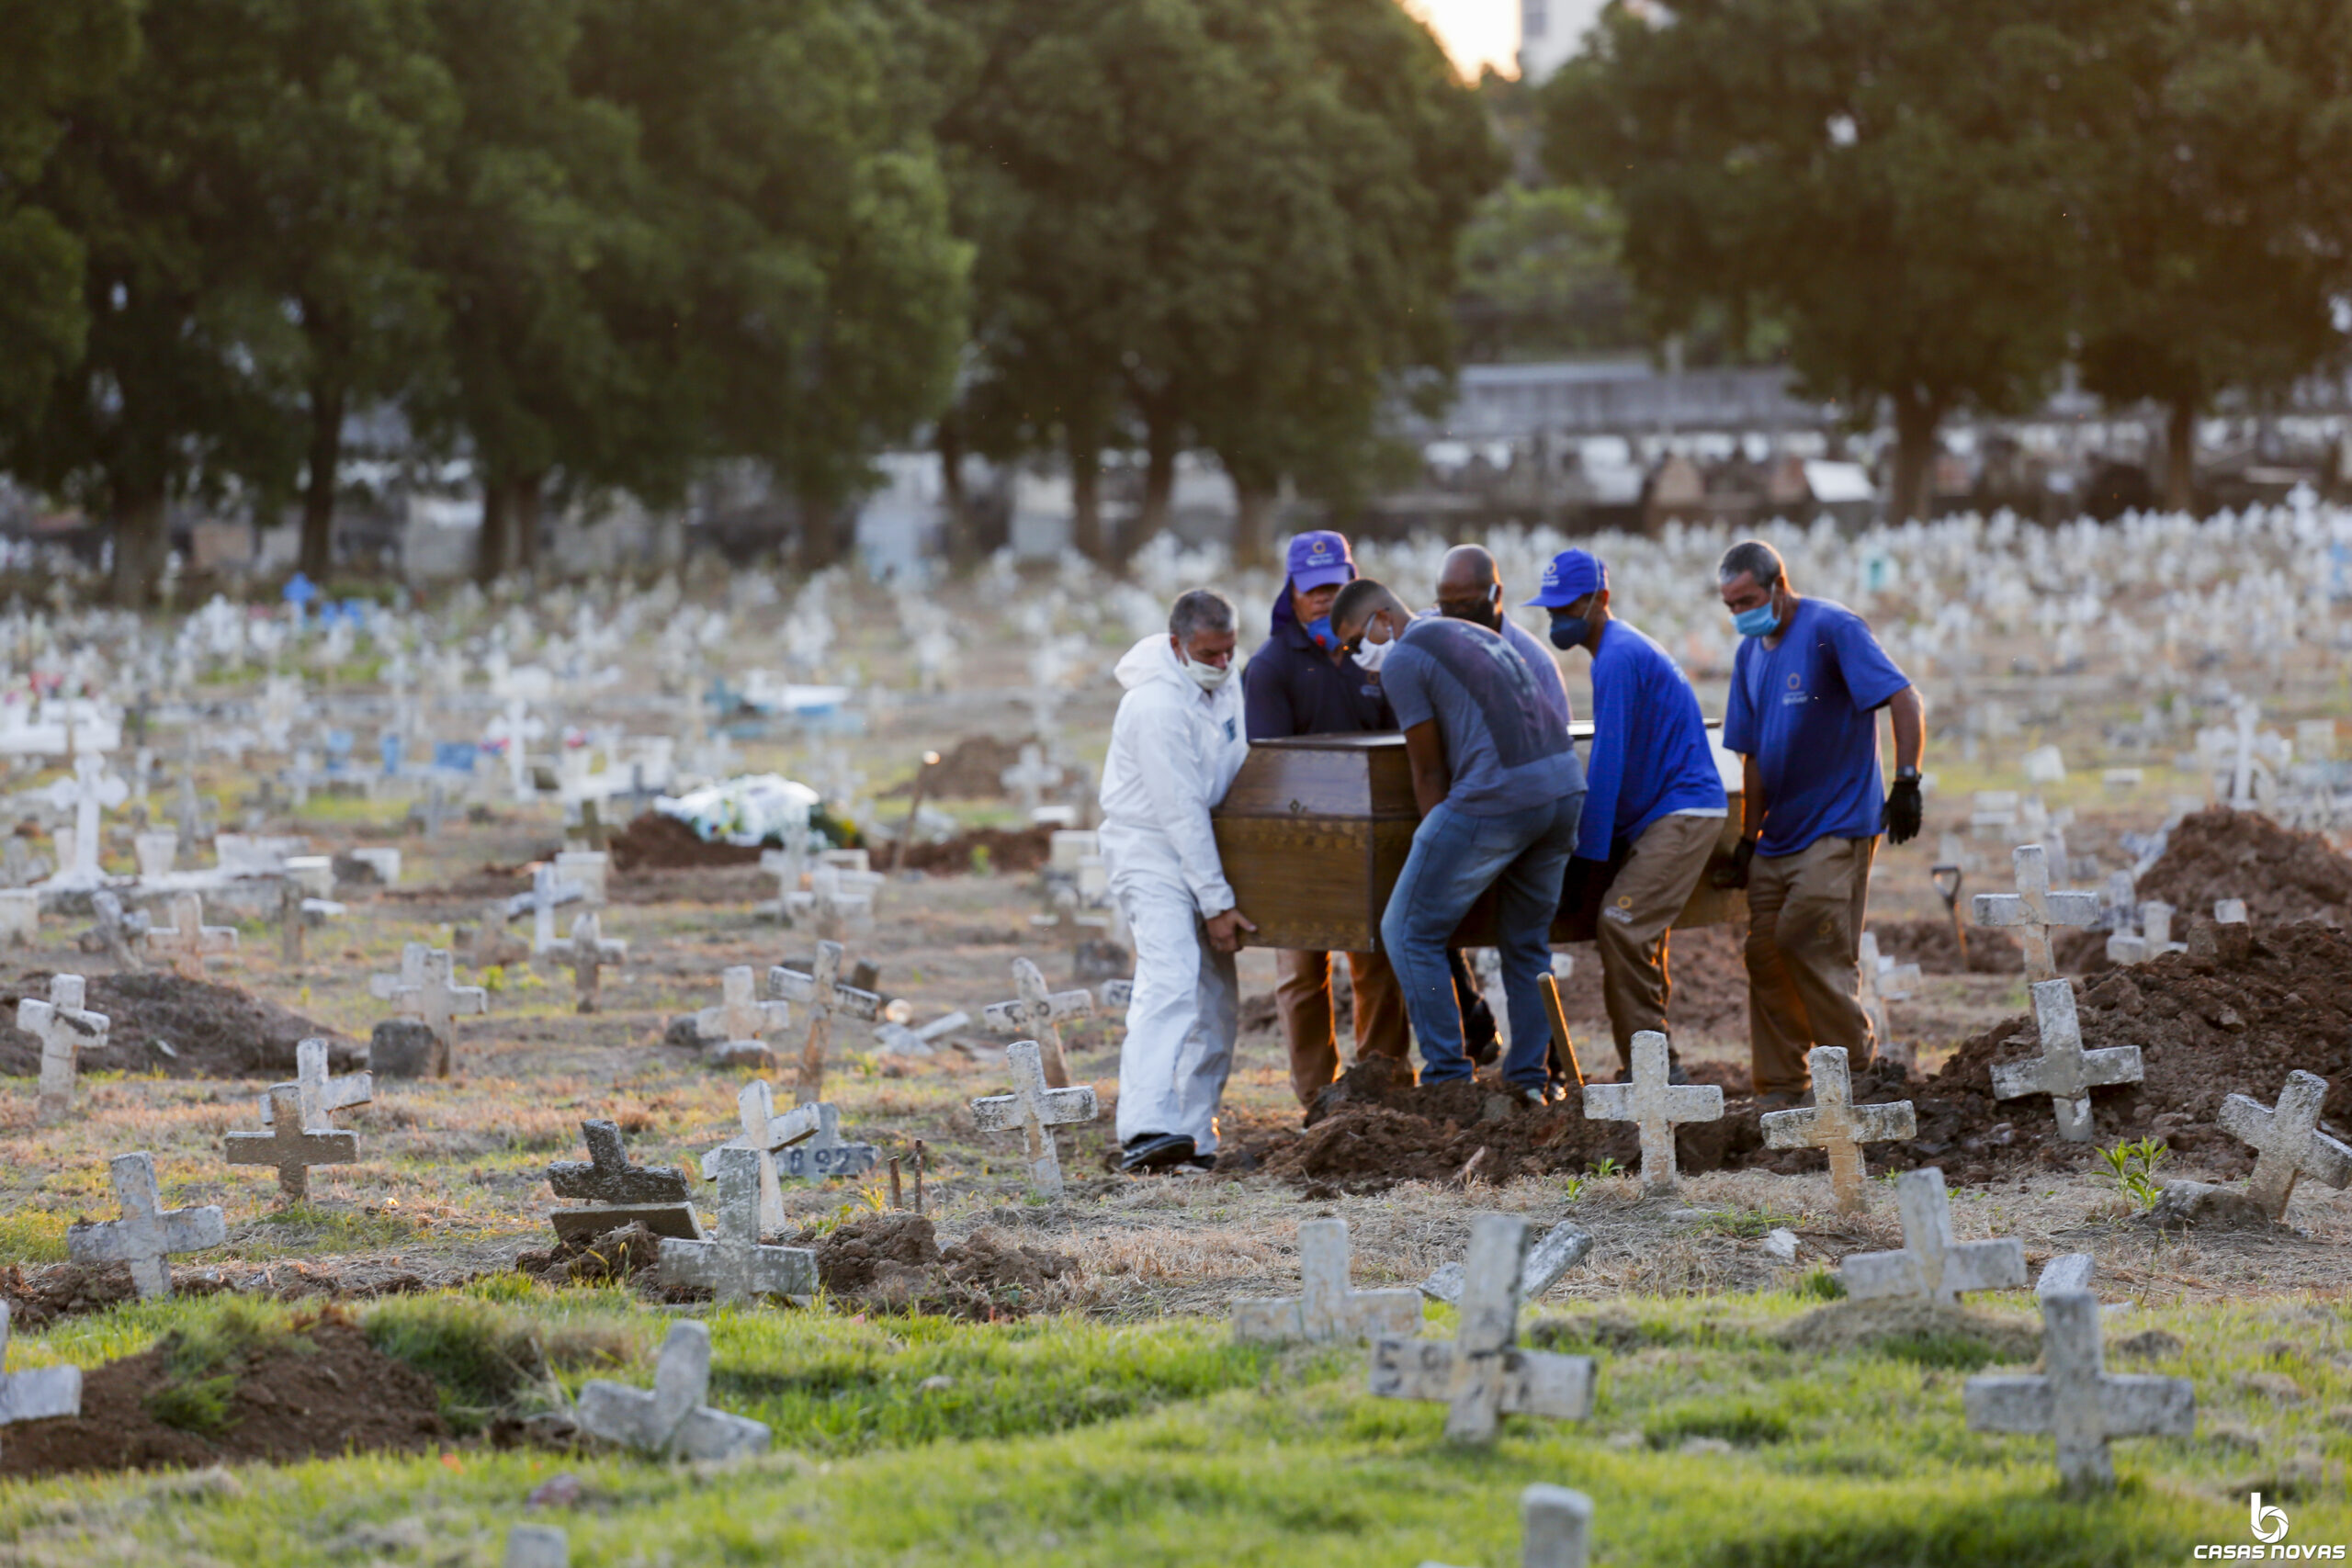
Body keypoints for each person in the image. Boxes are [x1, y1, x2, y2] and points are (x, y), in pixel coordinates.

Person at [1330, 578, 1585, 1101]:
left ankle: (1448, 1078)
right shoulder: (1467, 631)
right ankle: (1529, 1082)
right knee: (1526, 944)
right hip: (1562, 790)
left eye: (1356, 641)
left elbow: (1427, 773)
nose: (1356, 655)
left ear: (1383, 617)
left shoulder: (1404, 658)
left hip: (1498, 796)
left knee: (1406, 930)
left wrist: (1436, 849)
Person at [1712, 539, 1925, 1107]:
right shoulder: (1751, 653)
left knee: (1808, 936)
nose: (1740, 614)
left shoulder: (1832, 627)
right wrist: (1747, 839)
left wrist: (1907, 780)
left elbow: (1904, 699)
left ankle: (1855, 1071)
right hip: (1777, 834)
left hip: (1838, 824)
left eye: (1747, 600)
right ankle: (1781, 1086)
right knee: (1764, 954)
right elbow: (1751, 757)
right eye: (1729, 605)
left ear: (1779, 586)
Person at [1528, 547, 1727, 1079]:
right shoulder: (1617, 650)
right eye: (1551, 612)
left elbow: (1609, 760)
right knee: (1638, 931)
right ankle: (1655, 1064)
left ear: (1601, 599)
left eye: (1568, 607)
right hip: (1667, 811)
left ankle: (1655, 1071)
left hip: (1682, 810)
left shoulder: (1616, 657)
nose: (1558, 620)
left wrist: (1586, 858)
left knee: (1621, 924)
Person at [1241, 531, 1412, 1110]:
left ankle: (1384, 1091)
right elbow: (1269, 765)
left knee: (1379, 966)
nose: (1322, 599)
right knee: (1300, 977)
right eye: (1311, 589)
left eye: (1333, 588)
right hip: (1301, 845)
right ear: (1291, 591)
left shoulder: (1379, 659)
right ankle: (1318, 1100)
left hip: (1371, 842)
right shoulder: (1270, 667)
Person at [1100, 588, 1258, 1171]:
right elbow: (1178, 810)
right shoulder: (1155, 706)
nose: (1221, 665)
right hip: (1150, 847)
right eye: (1208, 654)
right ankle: (1145, 1127)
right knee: (1170, 979)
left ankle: (1195, 1134)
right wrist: (1217, 901)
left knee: (1217, 997)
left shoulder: (1225, 677)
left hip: (1206, 845)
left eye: (1229, 652)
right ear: (1176, 644)